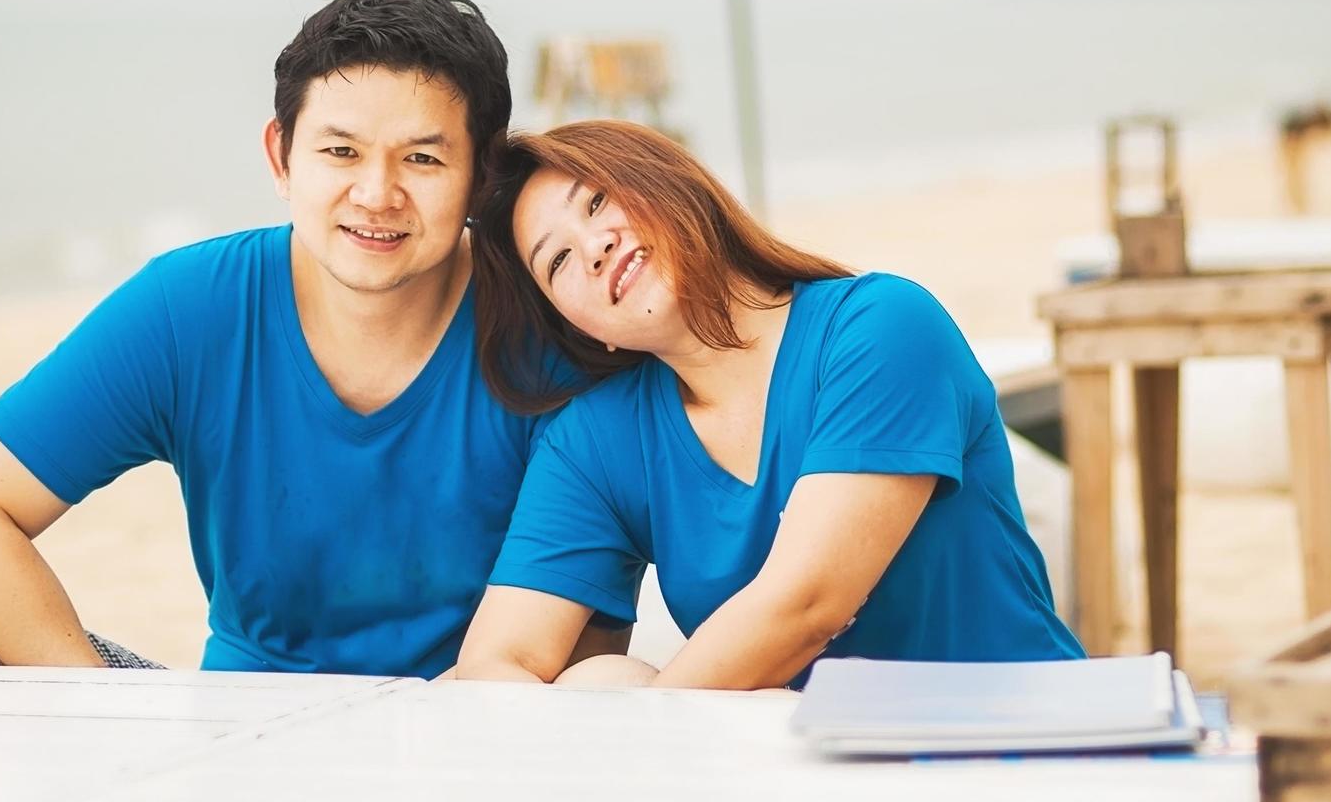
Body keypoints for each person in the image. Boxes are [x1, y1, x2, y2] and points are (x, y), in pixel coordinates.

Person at [0, 0, 617, 676]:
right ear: (281, 156)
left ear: (481, 180)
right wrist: (100, 707)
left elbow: (587, 641)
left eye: (422, 158)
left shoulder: (552, 332)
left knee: (608, 687)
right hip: (231, 731)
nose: (375, 194)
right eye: (340, 152)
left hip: (467, 729)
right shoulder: (189, 309)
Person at [455, 120, 1085, 690]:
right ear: (583, 327)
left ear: (674, 186)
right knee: (599, 679)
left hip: (1016, 751)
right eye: (558, 260)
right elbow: (495, 664)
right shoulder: (598, 437)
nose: (594, 247)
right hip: (816, 787)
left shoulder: (881, 327)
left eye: (597, 202)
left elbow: (808, 604)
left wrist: (649, 734)